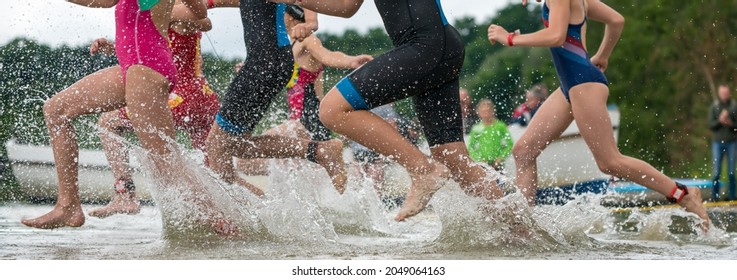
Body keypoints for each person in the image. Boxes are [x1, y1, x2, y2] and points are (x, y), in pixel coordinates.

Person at [269, 0, 505, 222]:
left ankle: (422, 170)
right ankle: (517, 227)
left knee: (332, 110)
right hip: (438, 47)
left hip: (425, 48)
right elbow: (346, 6)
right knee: (452, 157)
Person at [20, 0, 239, 235]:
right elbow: (199, 12)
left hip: (146, 69)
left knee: (166, 161)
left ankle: (226, 227)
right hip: (135, 65)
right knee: (56, 110)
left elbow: (103, 2)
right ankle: (68, 206)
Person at [488, 0, 710, 229]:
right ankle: (521, 228)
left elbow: (555, 35)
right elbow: (616, 20)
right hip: (571, 86)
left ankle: (682, 194)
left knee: (610, 162)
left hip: (583, 84)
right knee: (523, 152)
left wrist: (511, 39)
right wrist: (602, 56)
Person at [87, 5, 232, 219]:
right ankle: (248, 212)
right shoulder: (162, 13)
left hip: (181, 98)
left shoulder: (167, 7)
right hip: (204, 99)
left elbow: (204, 22)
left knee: (109, 121)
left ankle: (125, 196)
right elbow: (148, 47)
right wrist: (115, 47)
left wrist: (166, 13)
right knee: (217, 176)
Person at [204, 0, 349, 195]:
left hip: (265, 64)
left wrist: (311, 23)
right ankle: (318, 151)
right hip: (268, 63)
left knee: (217, 145)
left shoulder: (304, 39)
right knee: (235, 145)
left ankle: (231, 214)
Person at [234, 5, 373, 177]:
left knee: (244, 159)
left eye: (281, 11)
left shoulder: (307, 39)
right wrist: (251, 71)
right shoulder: (285, 45)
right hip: (296, 121)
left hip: (308, 120)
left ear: (292, 16)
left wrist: (351, 61)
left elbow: (327, 56)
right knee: (256, 165)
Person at [708, 84, 737, 201]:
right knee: (716, 172)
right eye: (722, 93)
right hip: (717, 143)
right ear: (719, 93)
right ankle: (714, 197)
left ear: (729, 93)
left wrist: (730, 123)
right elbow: (711, 125)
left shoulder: (734, 106)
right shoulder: (714, 106)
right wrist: (720, 120)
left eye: (726, 93)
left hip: (732, 142)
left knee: (731, 171)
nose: (724, 95)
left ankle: (732, 196)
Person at [467, 99, 513, 170]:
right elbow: (470, 147)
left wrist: (501, 158)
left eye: (488, 111)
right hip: (483, 163)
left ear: (492, 111)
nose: (485, 114)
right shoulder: (476, 128)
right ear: (478, 112)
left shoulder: (500, 126)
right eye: (483, 111)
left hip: (498, 163)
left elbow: (510, 144)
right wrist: (479, 159)